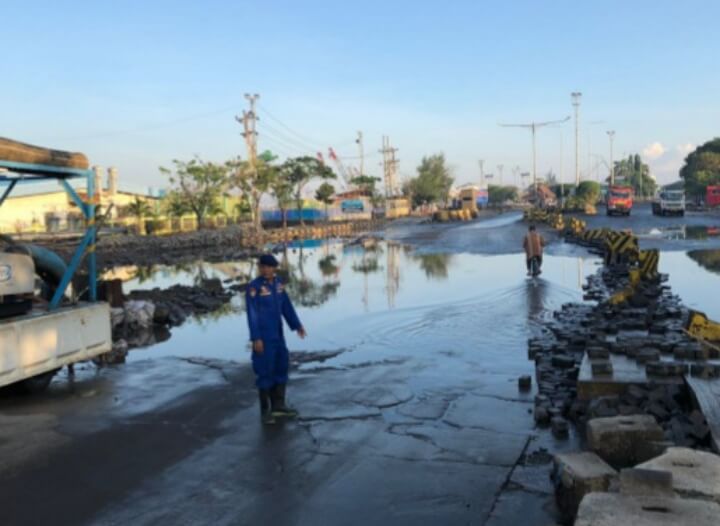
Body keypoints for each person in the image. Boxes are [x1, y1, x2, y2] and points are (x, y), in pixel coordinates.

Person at [246, 254, 306, 425]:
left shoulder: (278, 284)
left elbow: (286, 306)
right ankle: (265, 412)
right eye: (262, 267)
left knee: (281, 366)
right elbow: (252, 315)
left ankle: (279, 406)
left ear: (274, 268)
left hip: (278, 335)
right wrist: (256, 338)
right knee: (265, 370)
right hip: (263, 337)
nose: (265, 270)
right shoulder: (254, 288)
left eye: (268, 267)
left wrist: (297, 325)